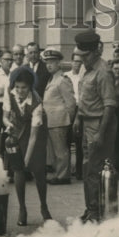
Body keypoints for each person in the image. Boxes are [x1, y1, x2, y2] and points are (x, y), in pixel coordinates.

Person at [73, 30, 117, 223]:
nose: (82, 60)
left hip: (99, 124)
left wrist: (100, 133)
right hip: (86, 122)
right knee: (87, 169)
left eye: (84, 56)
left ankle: (96, 212)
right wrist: (77, 118)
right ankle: (90, 207)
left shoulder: (103, 71)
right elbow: (83, 97)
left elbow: (109, 105)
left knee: (94, 170)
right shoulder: (86, 69)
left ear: (94, 52)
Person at [3, 67, 51, 226]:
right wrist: (9, 124)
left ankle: (44, 206)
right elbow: (4, 117)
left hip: (35, 133)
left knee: (37, 170)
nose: (19, 91)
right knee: (18, 170)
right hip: (17, 129)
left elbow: (33, 137)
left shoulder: (37, 103)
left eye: (23, 87)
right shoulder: (9, 94)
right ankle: (22, 209)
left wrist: (27, 160)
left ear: (30, 87)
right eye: (17, 87)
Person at [41, 47, 77, 185]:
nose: (49, 65)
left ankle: (63, 176)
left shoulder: (62, 80)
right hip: (52, 120)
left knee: (61, 150)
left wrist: (68, 120)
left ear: (58, 63)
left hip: (60, 121)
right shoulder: (52, 79)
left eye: (52, 62)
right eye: (47, 62)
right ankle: (59, 173)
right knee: (55, 150)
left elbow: (71, 103)